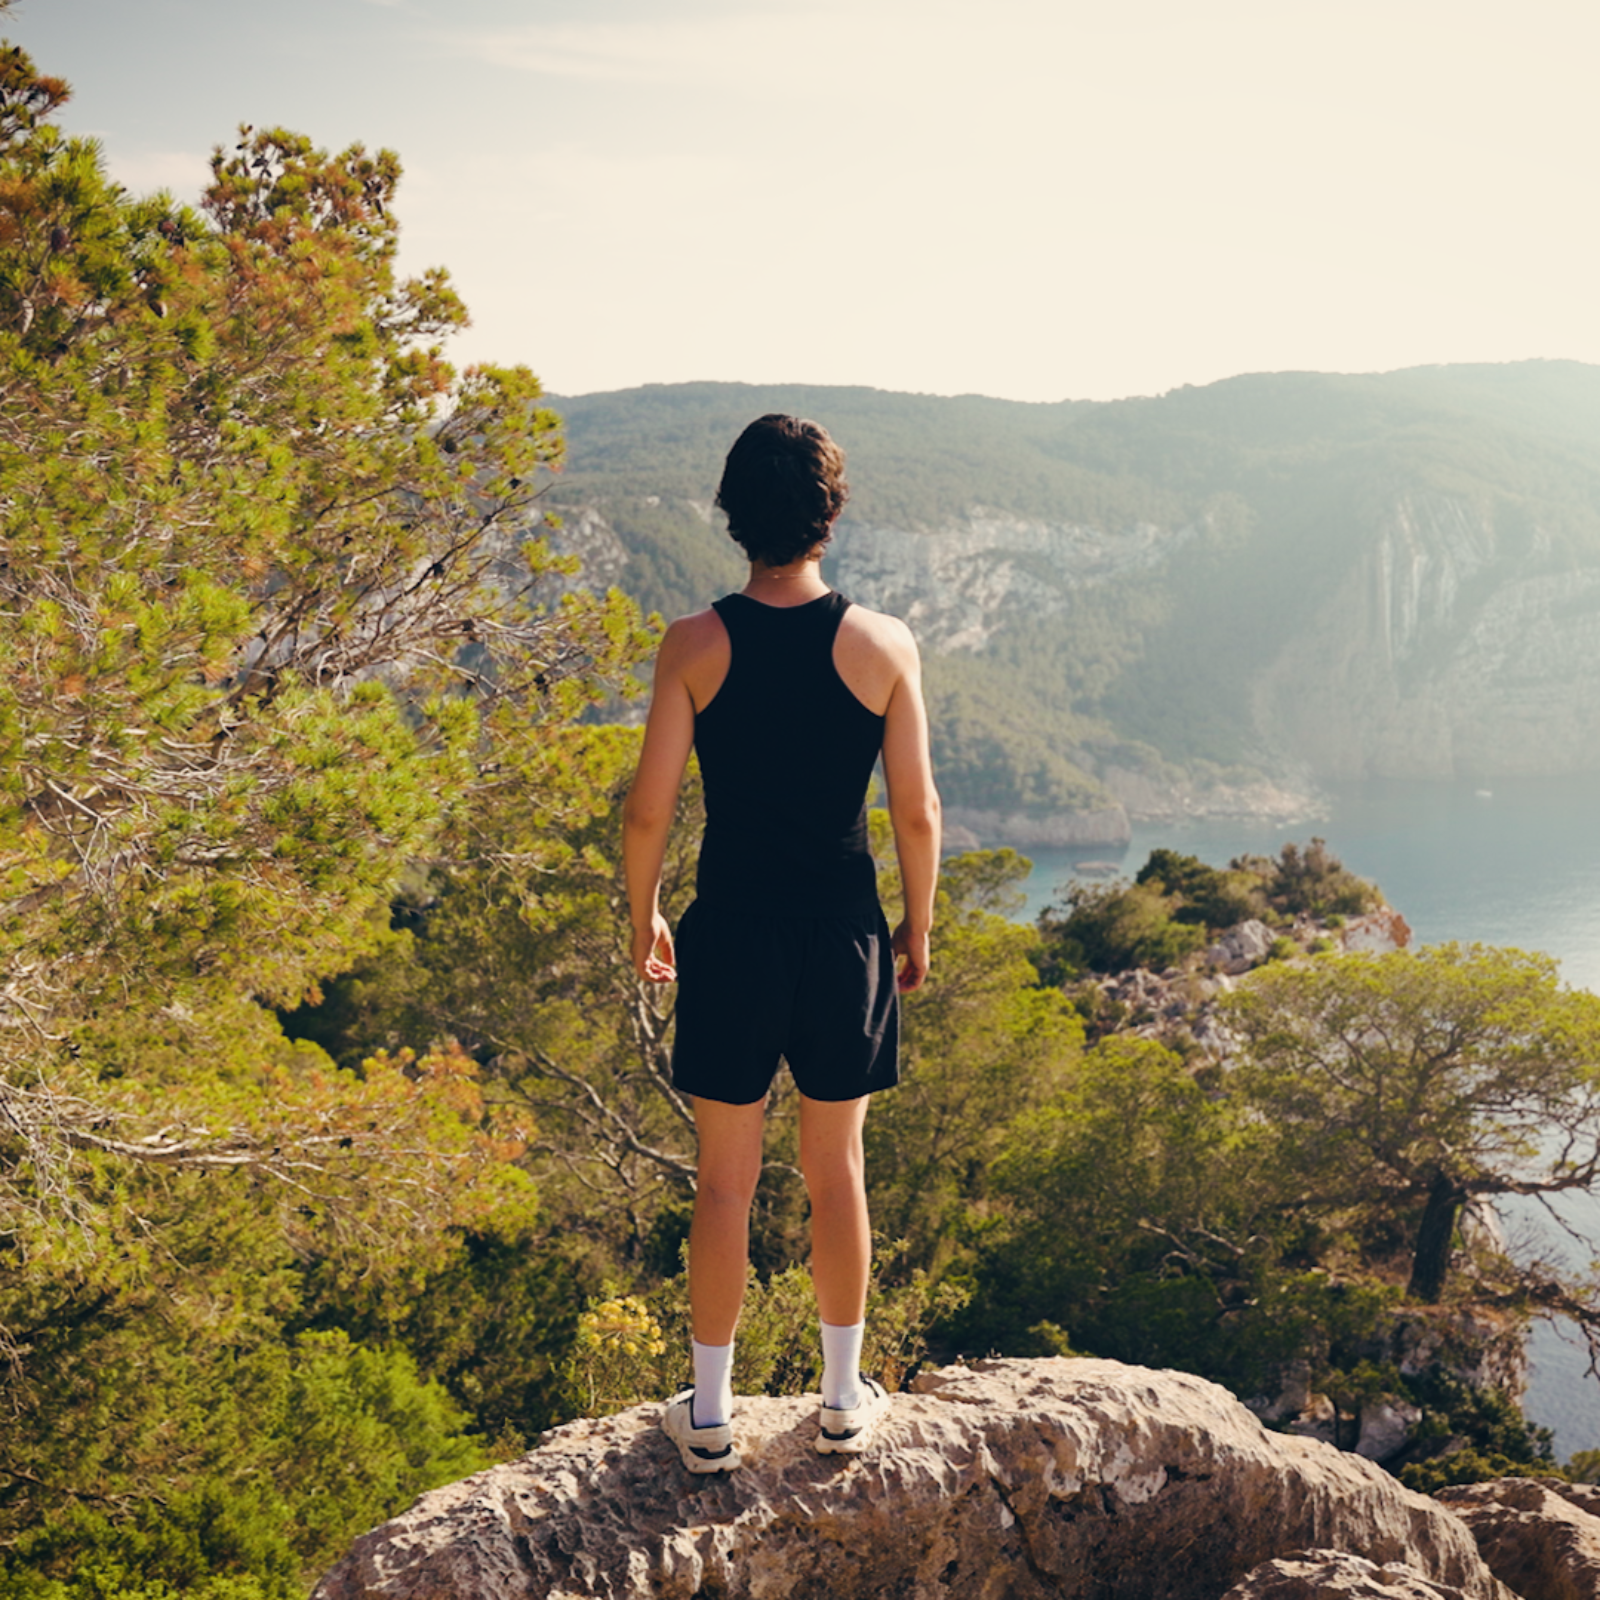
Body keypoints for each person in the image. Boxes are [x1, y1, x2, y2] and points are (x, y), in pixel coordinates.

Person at [622, 413, 941, 1473]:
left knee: (723, 1181)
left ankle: (707, 1417)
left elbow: (646, 813)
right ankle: (843, 1401)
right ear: (828, 516)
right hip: (844, 934)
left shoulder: (694, 644)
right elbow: (917, 815)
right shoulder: (883, 644)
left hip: (731, 937)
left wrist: (644, 911)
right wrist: (917, 924)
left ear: (731, 516)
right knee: (834, 1169)